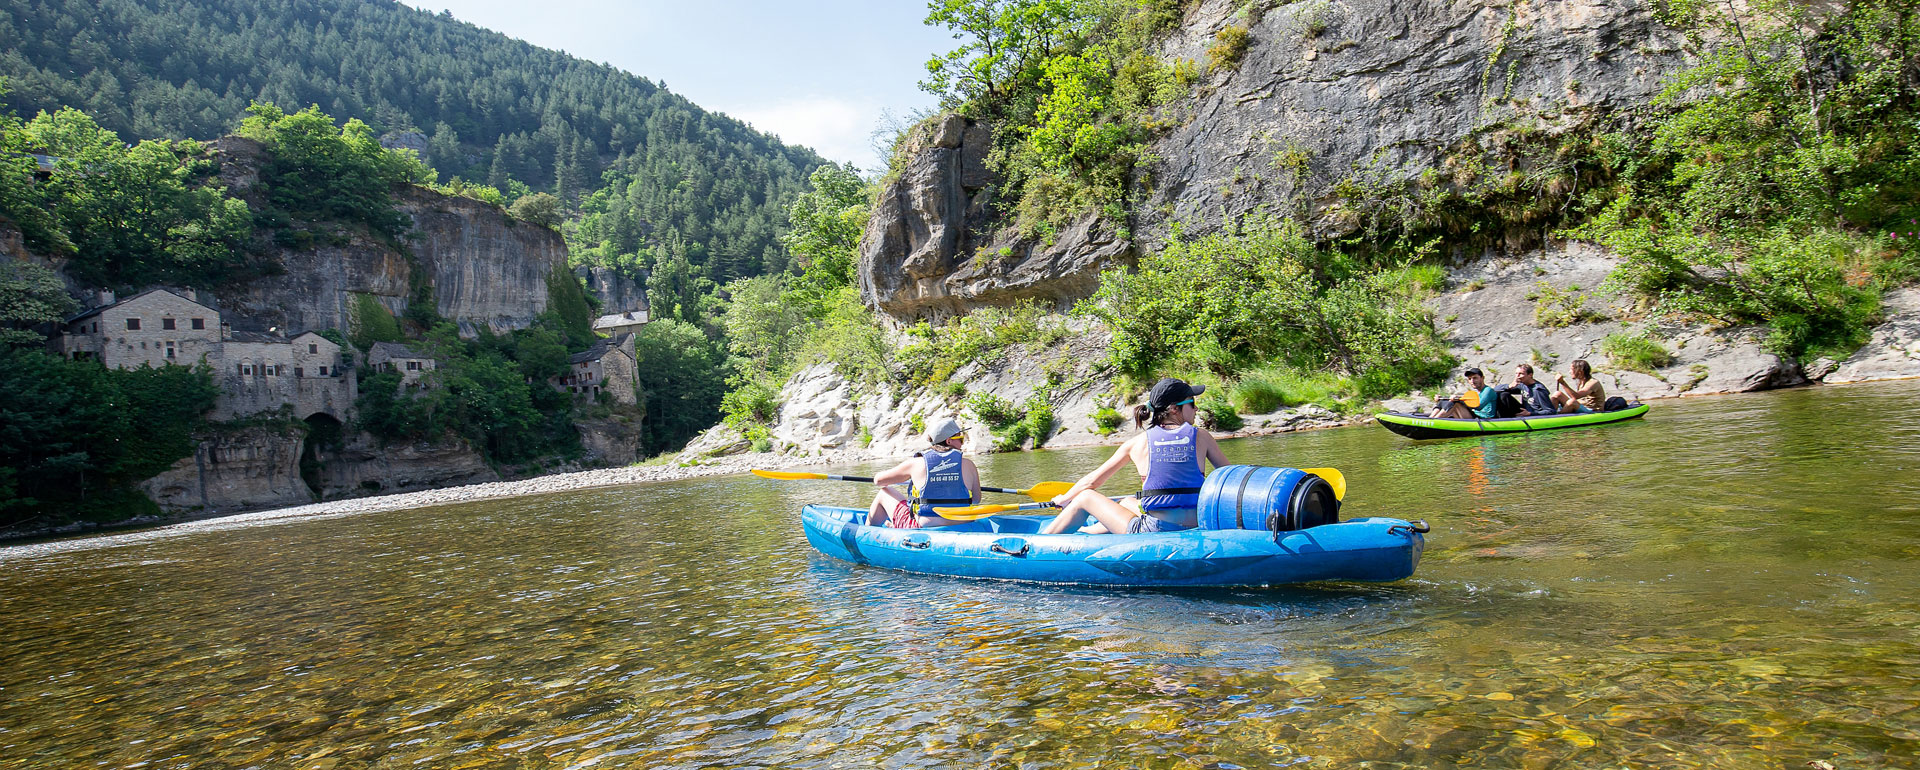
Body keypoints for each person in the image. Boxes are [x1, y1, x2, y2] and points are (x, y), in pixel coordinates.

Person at [1039, 378, 1230, 535]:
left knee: (1085, 497)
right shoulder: (1203, 436)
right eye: (1192, 403)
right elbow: (1230, 477)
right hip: (1198, 525)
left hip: (1155, 530)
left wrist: (1064, 499)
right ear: (1174, 408)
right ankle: (1088, 532)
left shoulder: (1137, 443)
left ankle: (1037, 544)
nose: (1196, 409)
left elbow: (1091, 483)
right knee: (1128, 503)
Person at [865, 418, 982, 529]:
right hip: (963, 523)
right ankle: (894, 526)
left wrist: (909, 478)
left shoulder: (916, 464)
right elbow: (976, 499)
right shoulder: (969, 465)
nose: (962, 443)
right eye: (960, 439)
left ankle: (867, 532)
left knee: (884, 492)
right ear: (949, 441)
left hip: (926, 525)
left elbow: (878, 481)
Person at [1429, 368, 1498, 420]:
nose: (1472, 381)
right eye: (1470, 379)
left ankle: (1435, 420)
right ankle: (1430, 418)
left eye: (1475, 378)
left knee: (1455, 403)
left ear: (1482, 378)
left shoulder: (1488, 390)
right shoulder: (1476, 392)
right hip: (1474, 415)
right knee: (1443, 402)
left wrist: (1459, 400)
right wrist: (1442, 398)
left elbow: (1478, 406)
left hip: (1483, 418)